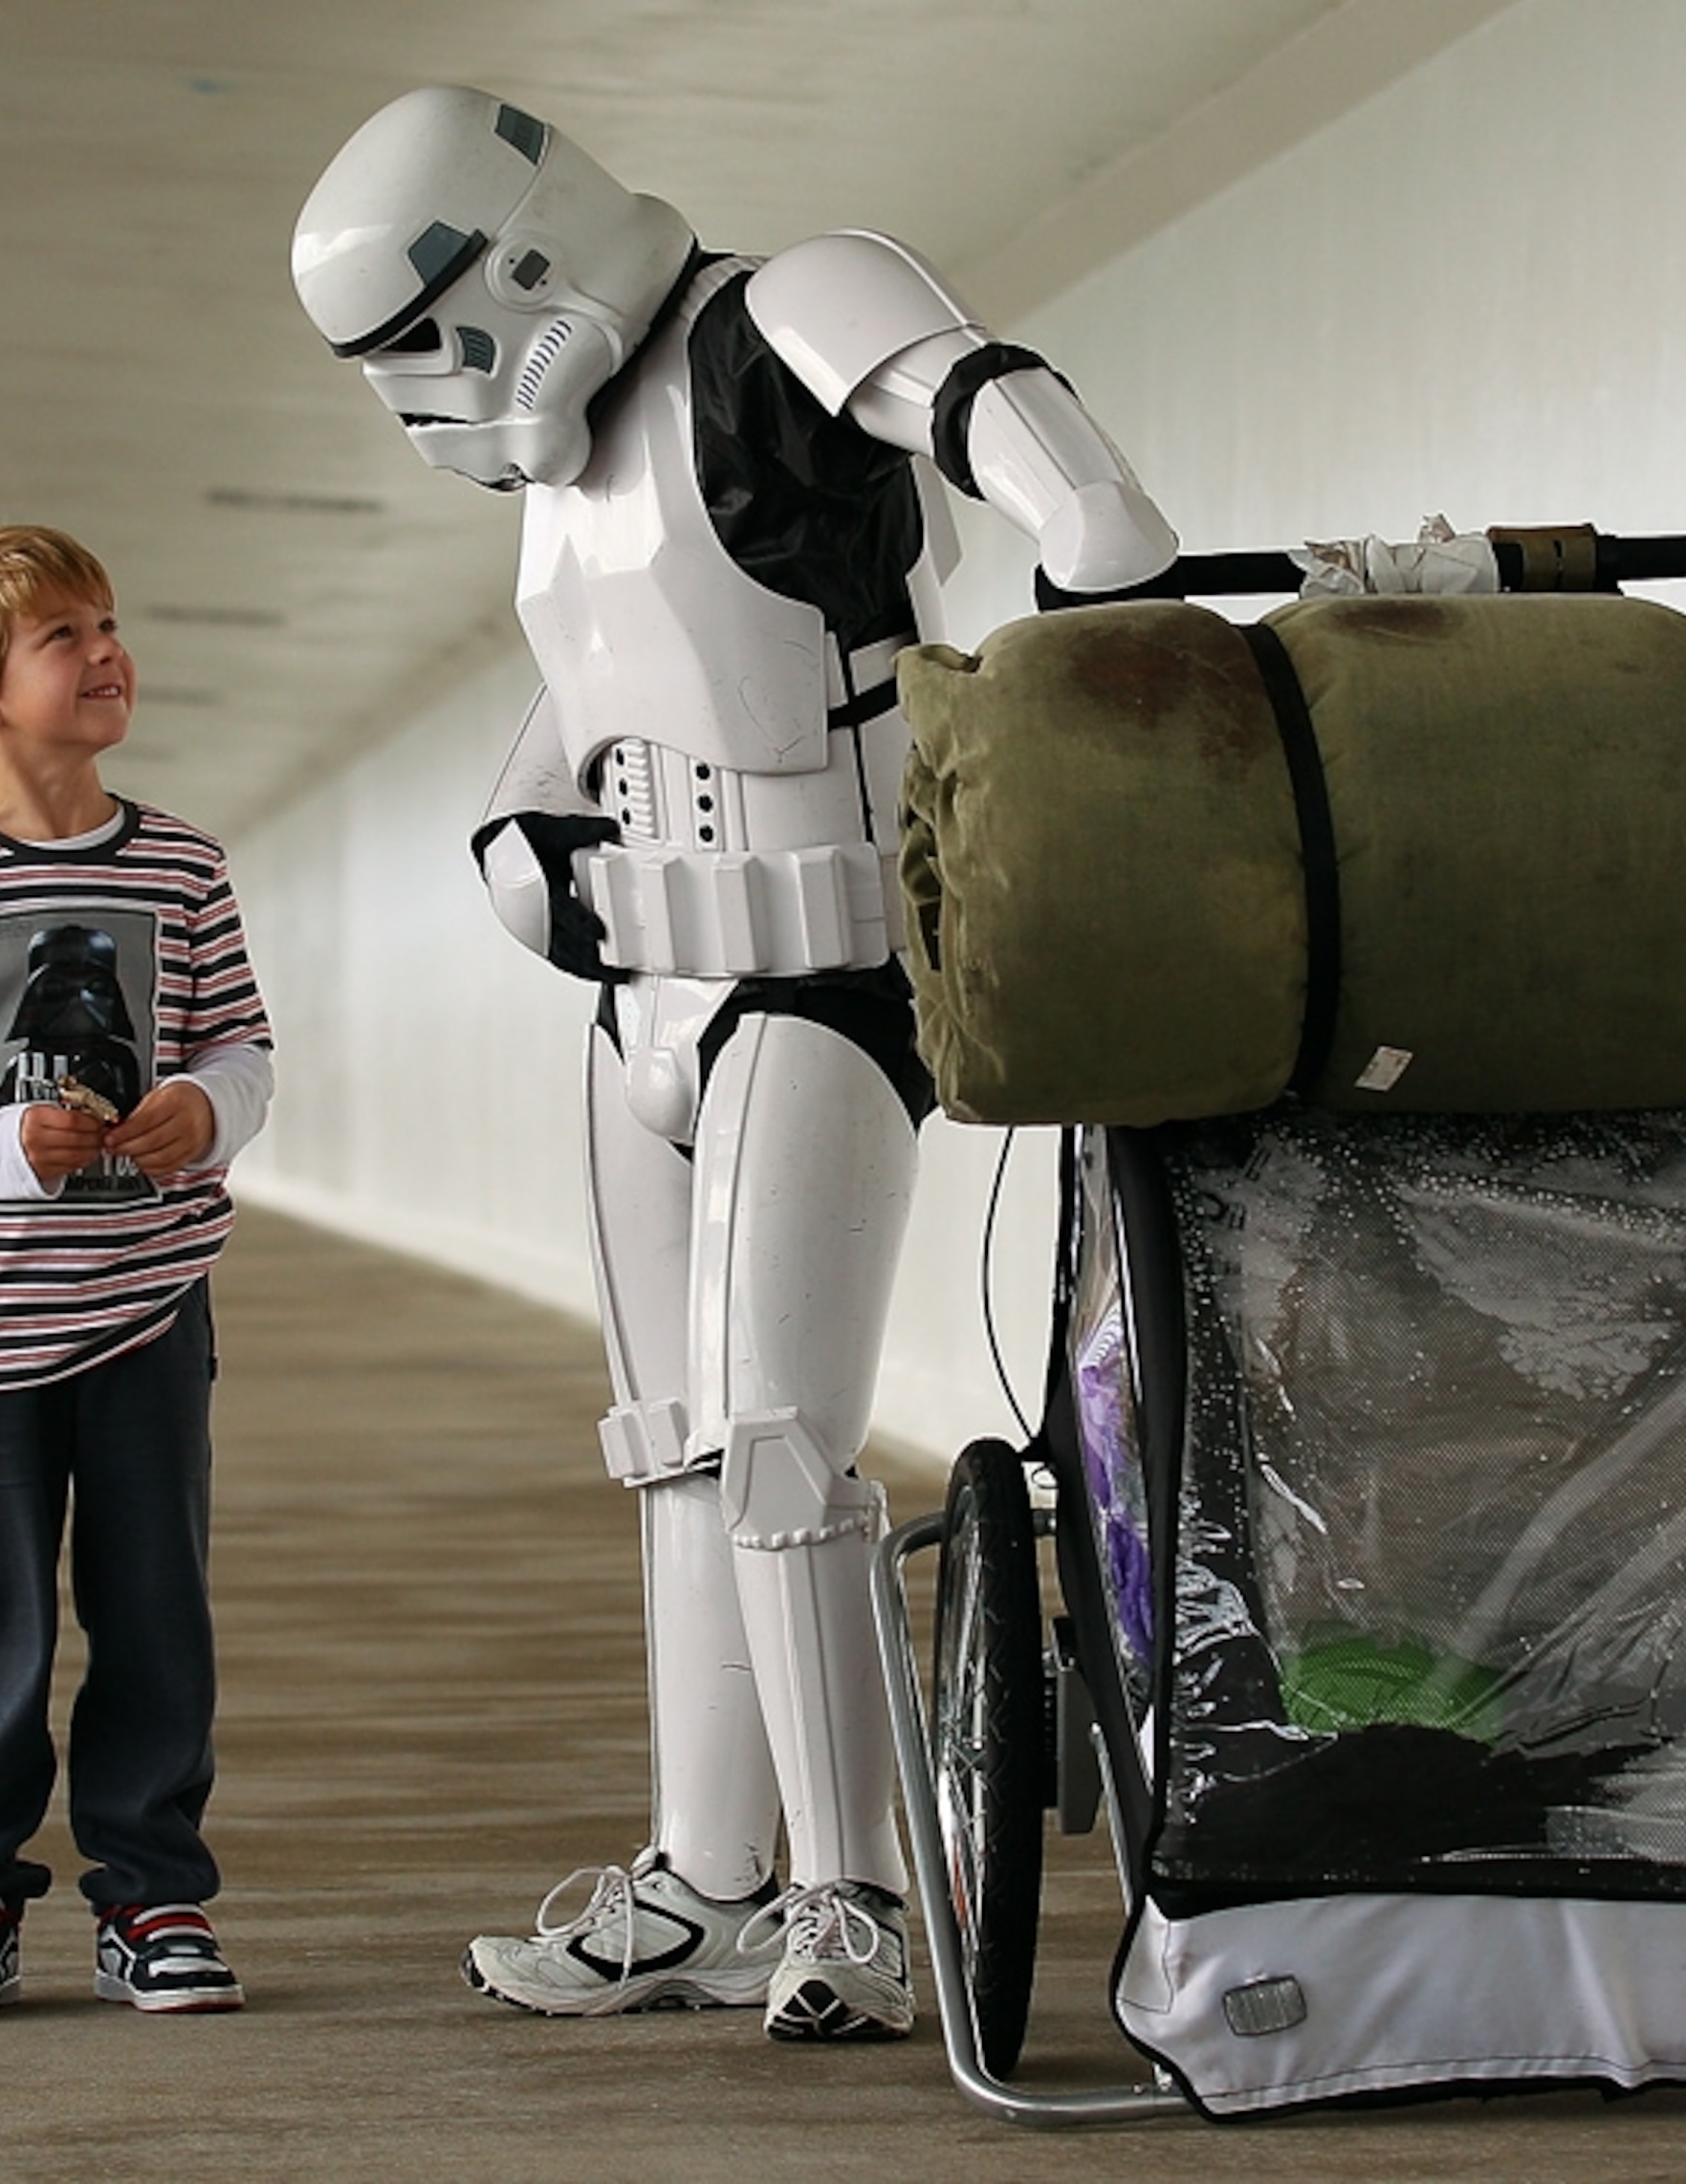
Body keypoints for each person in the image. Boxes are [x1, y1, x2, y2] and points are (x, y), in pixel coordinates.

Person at [291, 88, 1174, 2042]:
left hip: (821, 979)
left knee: (779, 1444)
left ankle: (853, 1897)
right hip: (650, 1008)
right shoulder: (579, 456)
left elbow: (971, 391)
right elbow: (600, 676)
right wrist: (527, 834)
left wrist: (1091, 526)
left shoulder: (778, 321)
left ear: (510, 258)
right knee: (675, 1450)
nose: (428, 396)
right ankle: (704, 1872)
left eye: (424, 343)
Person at [0, 525, 277, 2019]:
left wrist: (207, 1108)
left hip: (149, 1303)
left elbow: (241, 1045)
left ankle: (151, 1898)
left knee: (157, 1609)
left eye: (109, 623)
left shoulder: (183, 863)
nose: (106, 654)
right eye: (63, 637)